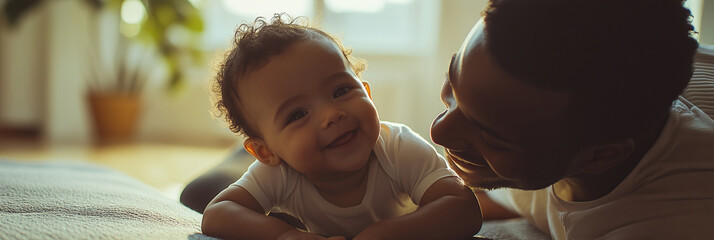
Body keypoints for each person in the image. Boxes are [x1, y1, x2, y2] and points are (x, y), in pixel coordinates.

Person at [430, 0, 714, 239]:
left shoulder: (667, 224)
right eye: (452, 82)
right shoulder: (550, 143)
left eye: (492, 139)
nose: (438, 131)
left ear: (600, 157)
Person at [199, 14, 482, 240]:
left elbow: (464, 209)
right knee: (199, 192)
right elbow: (217, 214)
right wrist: (284, 235)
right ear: (265, 152)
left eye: (340, 91)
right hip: (280, 169)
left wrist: (383, 234)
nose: (331, 115)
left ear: (367, 93)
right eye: (297, 114)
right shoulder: (280, 172)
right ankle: (241, 159)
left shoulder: (397, 147)